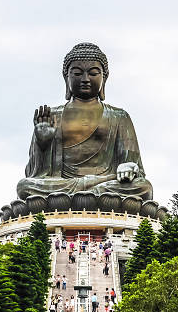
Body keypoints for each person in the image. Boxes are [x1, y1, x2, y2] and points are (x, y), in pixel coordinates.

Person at [16, 43, 153, 201]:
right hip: (63, 184)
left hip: (106, 182)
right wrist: (43, 144)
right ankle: (89, 197)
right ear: (66, 77)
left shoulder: (119, 116)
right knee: (25, 186)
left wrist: (129, 167)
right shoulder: (52, 116)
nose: (85, 79)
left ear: (104, 77)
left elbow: (133, 165)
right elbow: (34, 174)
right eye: (77, 73)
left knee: (143, 187)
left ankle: (83, 197)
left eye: (94, 73)